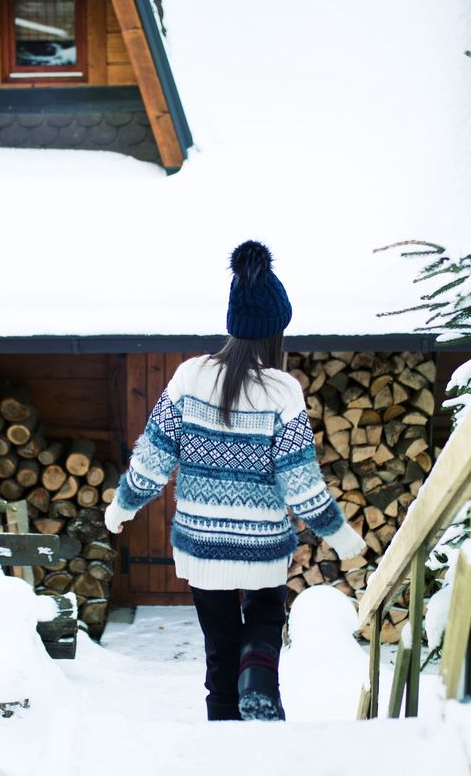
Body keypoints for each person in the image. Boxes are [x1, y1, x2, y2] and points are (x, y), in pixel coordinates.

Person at [104, 241, 367, 721]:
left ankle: (224, 733)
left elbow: (153, 459)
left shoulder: (188, 377)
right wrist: (341, 535)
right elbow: (301, 482)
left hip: (202, 546)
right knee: (265, 620)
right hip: (262, 548)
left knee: (218, 651)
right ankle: (260, 678)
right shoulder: (282, 390)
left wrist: (122, 507)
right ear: (274, 332)